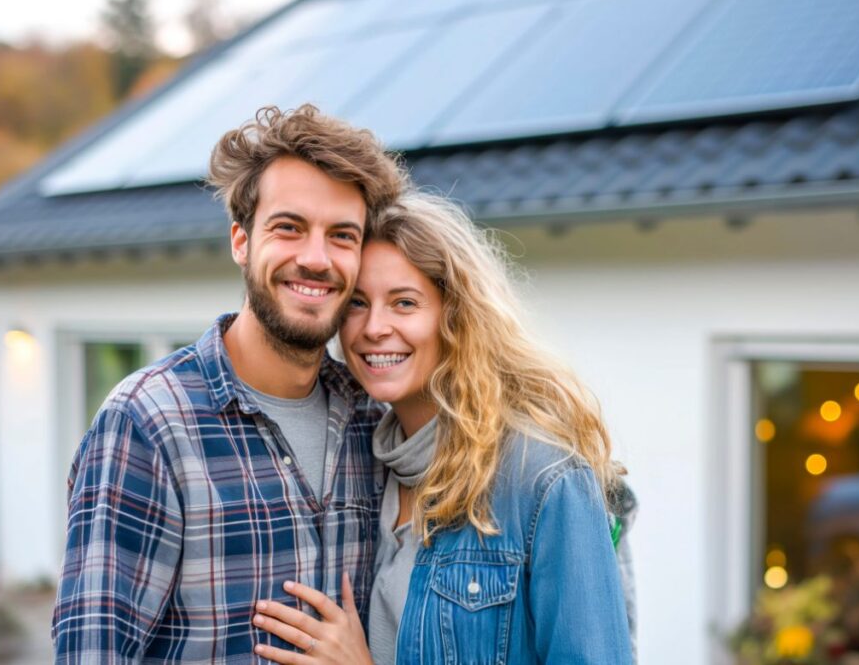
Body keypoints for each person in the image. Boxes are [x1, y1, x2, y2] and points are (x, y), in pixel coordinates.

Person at [52, 104, 406, 662]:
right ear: (241, 241)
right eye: (289, 227)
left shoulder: (375, 421)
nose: (316, 259)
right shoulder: (148, 424)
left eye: (342, 236)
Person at [250, 192, 634, 664]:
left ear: (457, 318)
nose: (373, 328)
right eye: (356, 304)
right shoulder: (366, 465)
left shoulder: (543, 479)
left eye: (404, 303)